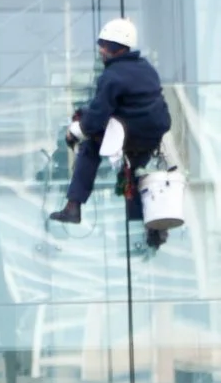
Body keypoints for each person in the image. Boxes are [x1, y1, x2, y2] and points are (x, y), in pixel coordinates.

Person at [50, 16, 171, 230]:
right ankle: (151, 228)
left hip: (131, 133)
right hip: (152, 132)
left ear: (115, 48)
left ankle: (73, 206)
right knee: (135, 173)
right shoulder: (146, 68)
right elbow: (128, 105)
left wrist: (75, 132)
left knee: (89, 147)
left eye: (104, 46)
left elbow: (95, 120)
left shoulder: (112, 76)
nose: (101, 51)